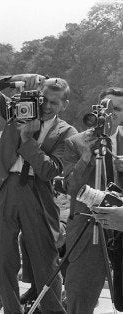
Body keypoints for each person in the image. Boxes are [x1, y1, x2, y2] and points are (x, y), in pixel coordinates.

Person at [0, 74, 76, 314]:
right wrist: (16, 79)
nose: (46, 106)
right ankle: (12, 310)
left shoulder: (68, 133)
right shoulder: (18, 111)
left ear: (65, 104)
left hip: (38, 193)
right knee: (3, 260)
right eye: (44, 99)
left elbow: (49, 170)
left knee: (45, 261)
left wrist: (26, 139)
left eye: (54, 102)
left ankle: (53, 310)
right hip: (5, 187)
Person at [61, 87, 123, 313]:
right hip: (88, 229)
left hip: (121, 226)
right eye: (106, 106)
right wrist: (86, 157)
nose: (110, 113)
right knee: (80, 297)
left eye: (116, 109)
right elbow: (70, 187)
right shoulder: (75, 142)